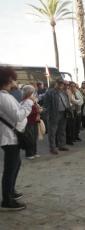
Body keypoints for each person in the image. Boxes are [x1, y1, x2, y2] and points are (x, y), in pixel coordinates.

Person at [0, 67, 33, 211]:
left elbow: (14, 111)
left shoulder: (6, 95)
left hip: (11, 136)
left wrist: (24, 104)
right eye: (13, 78)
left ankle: (11, 192)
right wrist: (29, 102)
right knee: (10, 168)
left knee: (15, 164)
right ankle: (7, 200)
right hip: (9, 137)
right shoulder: (3, 96)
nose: (15, 81)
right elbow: (18, 116)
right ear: (8, 80)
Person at [43, 79, 70, 155]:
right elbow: (46, 105)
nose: (61, 85)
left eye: (62, 84)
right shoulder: (50, 93)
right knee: (52, 132)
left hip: (63, 113)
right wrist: (48, 114)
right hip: (54, 114)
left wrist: (68, 109)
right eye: (60, 84)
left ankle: (62, 145)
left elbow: (67, 102)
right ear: (56, 84)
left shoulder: (64, 92)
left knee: (62, 130)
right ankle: (52, 148)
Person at [21, 85, 42, 160]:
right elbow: (27, 112)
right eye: (33, 92)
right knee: (30, 138)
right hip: (29, 122)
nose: (34, 94)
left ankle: (34, 152)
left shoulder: (31, 100)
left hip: (34, 121)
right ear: (29, 93)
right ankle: (29, 153)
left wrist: (38, 109)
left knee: (34, 137)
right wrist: (37, 110)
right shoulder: (27, 101)